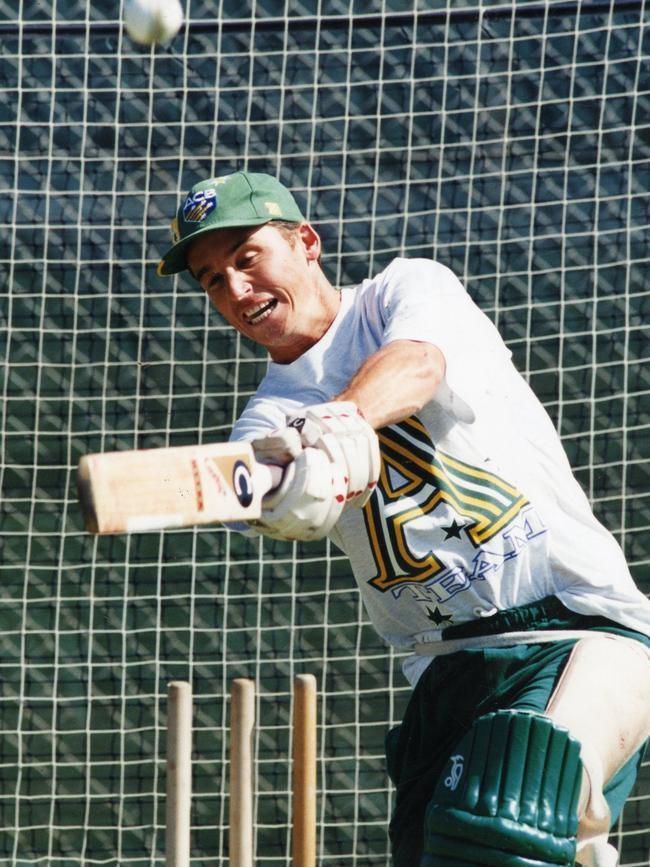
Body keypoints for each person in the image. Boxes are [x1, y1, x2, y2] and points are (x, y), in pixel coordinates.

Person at [158, 170, 650, 867]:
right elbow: (269, 481)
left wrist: (340, 421)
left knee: (501, 820)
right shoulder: (268, 417)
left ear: (306, 242)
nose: (236, 291)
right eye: (211, 280)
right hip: (443, 674)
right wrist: (291, 482)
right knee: (453, 846)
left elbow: (416, 363)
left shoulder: (404, 291)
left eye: (247, 258)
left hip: (579, 632)